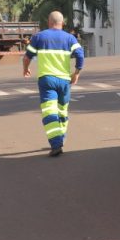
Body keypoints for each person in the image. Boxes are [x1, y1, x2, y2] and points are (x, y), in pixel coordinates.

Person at [22, 10, 84, 157]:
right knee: (62, 112)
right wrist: (76, 74)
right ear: (62, 23)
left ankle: (56, 144)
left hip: (47, 80)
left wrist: (26, 69)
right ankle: (60, 137)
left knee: (49, 112)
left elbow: (27, 57)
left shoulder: (39, 37)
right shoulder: (70, 38)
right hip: (64, 81)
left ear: (49, 22)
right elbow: (80, 55)